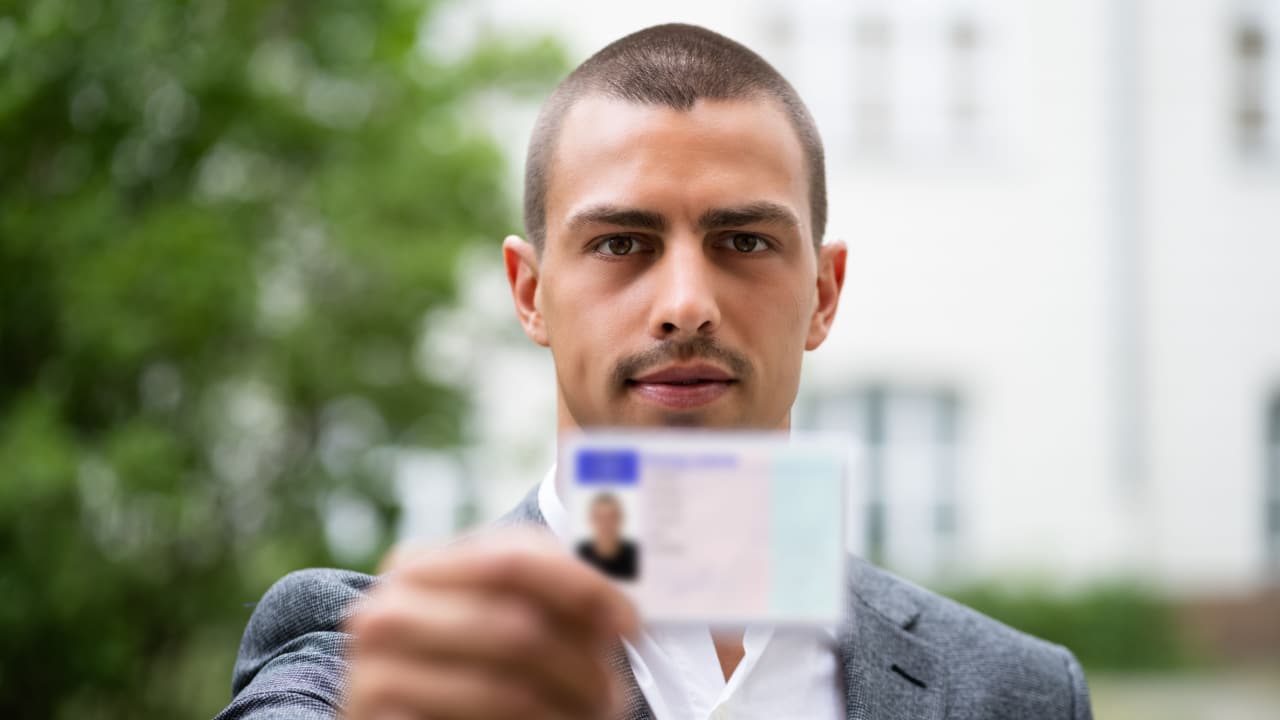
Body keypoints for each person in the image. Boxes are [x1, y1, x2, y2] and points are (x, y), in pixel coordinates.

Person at [216, 23, 1093, 720]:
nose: (685, 303)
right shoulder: (372, 653)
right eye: (621, 243)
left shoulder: (1020, 692)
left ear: (824, 293)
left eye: (743, 241)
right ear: (530, 293)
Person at [576, 493, 639, 580]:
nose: (605, 524)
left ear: (620, 519)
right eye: (600, 518)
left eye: (611, 517)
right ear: (591, 520)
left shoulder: (634, 553)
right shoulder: (580, 554)